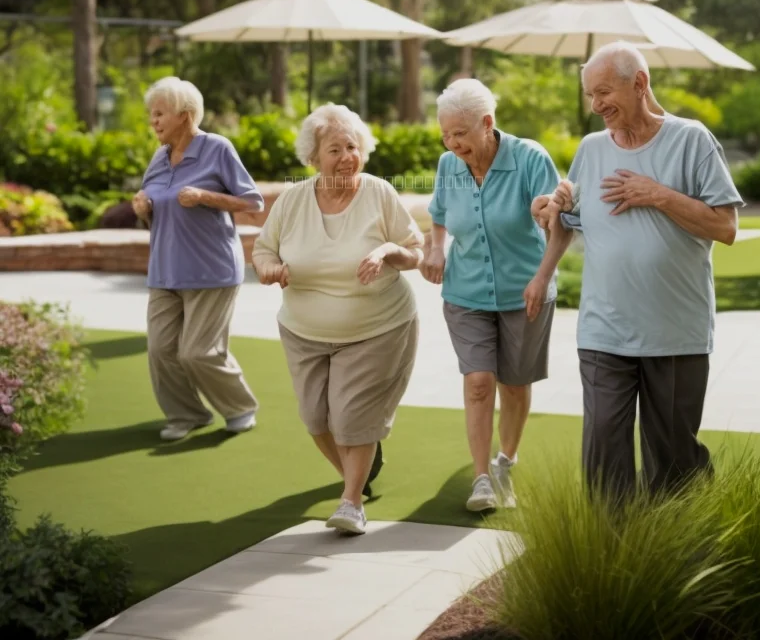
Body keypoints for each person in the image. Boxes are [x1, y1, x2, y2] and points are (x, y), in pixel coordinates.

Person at [532, 41, 743, 499]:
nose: (596, 105)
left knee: (672, 459)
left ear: (640, 84)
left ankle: (678, 552)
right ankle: (611, 556)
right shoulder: (591, 148)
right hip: (604, 330)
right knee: (604, 448)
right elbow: (572, 219)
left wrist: (657, 194)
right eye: (591, 95)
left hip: (674, 333)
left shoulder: (691, 140)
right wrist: (551, 209)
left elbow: (725, 227)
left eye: (604, 92)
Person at [251, 103, 424, 535]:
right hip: (303, 330)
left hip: (377, 327)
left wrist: (386, 252)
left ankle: (351, 501)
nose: (347, 156)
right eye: (335, 149)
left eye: (353, 146)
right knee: (316, 419)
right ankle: (361, 467)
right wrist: (269, 268)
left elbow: (415, 252)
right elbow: (262, 249)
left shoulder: (378, 193)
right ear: (313, 157)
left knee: (350, 418)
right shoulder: (292, 200)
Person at [420, 78, 566, 513]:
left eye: (459, 133)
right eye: (445, 134)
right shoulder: (450, 165)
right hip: (465, 293)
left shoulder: (529, 159)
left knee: (514, 384)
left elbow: (558, 223)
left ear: (487, 123)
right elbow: (439, 214)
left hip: (526, 292)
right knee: (480, 382)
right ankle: (482, 476)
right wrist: (435, 249)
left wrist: (542, 276)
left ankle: (507, 458)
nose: (451, 143)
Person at [132, 76, 264, 441]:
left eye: (160, 113)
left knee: (197, 352)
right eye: (151, 114)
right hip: (165, 270)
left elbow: (254, 203)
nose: (153, 121)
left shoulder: (217, 149)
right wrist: (142, 208)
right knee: (161, 351)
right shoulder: (159, 158)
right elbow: (153, 207)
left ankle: (240, 407)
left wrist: (208, 197)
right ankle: (187, 414)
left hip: (211, 269)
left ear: (185, 115)